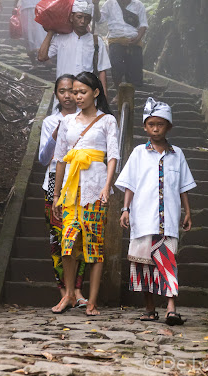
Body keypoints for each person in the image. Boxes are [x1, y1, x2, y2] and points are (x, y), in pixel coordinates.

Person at [115, 97, 196, 325]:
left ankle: (171, 308)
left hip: (168, 221)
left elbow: (183, 187)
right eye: (151, 124)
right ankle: (150, 309)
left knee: (168, 262)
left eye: (160, 124)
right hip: (143, 219)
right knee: (142, 265)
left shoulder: (177, 154)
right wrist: (125, 209)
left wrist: (187, 211)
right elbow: (130, 184)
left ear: (168, 127)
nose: (156, 128)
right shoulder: (139, 153)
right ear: (145, 127)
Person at [52, 71, 119, 316]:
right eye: (73, 92)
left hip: (94, 189)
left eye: (82, 92)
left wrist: (106, 186)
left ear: (96, 93)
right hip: (71, 190)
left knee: (94, 244)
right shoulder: (68, 121)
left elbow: (112, 156)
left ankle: (92, 301)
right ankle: (69, 294)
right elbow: (60, 159)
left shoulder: (107, 121)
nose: (76, 97)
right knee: (67, 243)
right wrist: (56, 193)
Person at [38, 74, 88, 308]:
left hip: (82, 183)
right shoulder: (50, 121)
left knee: (81, 237)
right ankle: (63, 291)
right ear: (56, 94)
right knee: (58, 240)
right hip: (54, 185)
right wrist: (55, 135)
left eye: (73, 90)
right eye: (62, 91)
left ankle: (77, 289)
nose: (68, 96)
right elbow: (43, 158)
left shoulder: (89, 119)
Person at [37, 0, 111, 97]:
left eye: (86, 18)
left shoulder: (97, 41)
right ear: (72, 17)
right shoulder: (60, 39)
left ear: (90, 20)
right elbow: (42, 57)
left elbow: (102, 71)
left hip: (86, 94)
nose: (82, 21)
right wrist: (51, 31)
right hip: (64, 92)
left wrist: (104, 97)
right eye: (79, 17)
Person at [96, 0, 148, 88]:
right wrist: (96, 5)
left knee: (134, 70)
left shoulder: (138, 5)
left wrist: (138, 38)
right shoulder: (110, 4)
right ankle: (119, 91)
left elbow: (143, 25)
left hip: (134, 40)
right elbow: (99, 19)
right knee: (116, 67)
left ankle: (131, 93)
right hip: (116, 40)